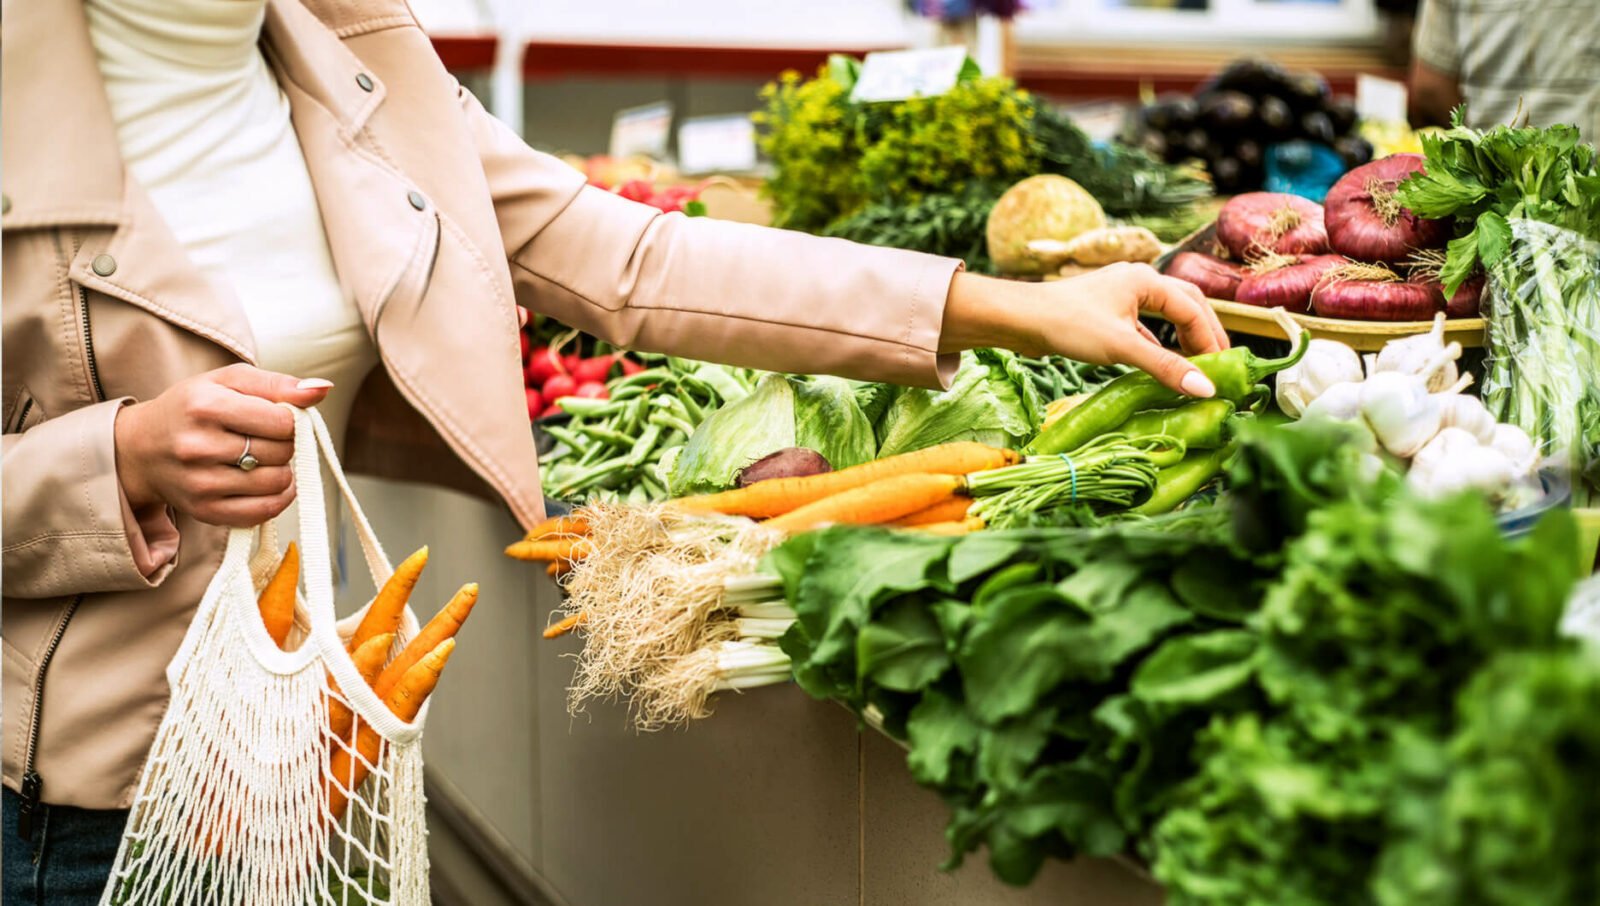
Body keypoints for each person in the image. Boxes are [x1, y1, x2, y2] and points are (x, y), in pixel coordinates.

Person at [0, 0, 1227, 899]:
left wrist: (1011, 305)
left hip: (301, 753)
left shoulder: (346, 47)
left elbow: (627, 258)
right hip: (72, 804)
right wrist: (117, 455)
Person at [1409, 0, 1600, 136]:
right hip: (1588, 174)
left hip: (1493, 174)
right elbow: (1429, 87)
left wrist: (1484, 147)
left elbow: (1430, 86)